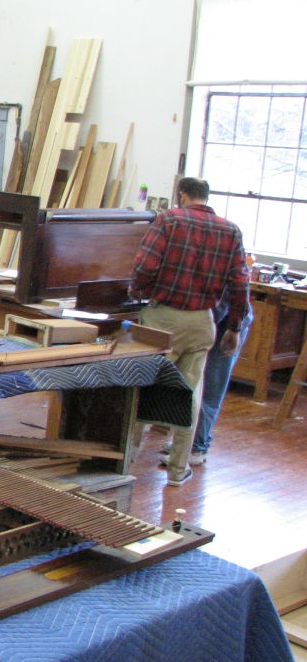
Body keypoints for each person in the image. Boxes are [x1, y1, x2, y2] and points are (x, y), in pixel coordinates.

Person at [129, 176, 249, 486]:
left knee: (143, 388)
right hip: (201, 321)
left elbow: (145, 266)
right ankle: (178, 470)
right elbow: (239, 284)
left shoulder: (168, 220)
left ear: (182, 194)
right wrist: (234, 326)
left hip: (162, 320)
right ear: (206, 197)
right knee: (189, 395)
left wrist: (138, 292)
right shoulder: (231, 230)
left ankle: (126, 464)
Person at [159, 294, 253, 466]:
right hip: (207, 319)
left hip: (229, 324)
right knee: (191, 382)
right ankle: (184, 443)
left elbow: (224, 302)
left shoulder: (228, 268)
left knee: (210, 386)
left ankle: (196, 447)